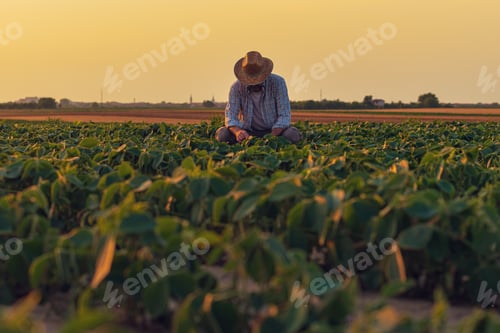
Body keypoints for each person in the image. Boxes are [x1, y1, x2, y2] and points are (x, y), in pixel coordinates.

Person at [215, 51, 302, 144]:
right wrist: (238, 132)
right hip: (247, 132)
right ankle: (240, 143)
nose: (254, 82)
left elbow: (284, 116)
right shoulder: (236, 87)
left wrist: (271, 137)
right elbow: (230, 116)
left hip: (274, 131)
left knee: (292, 134)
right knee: (222, 134)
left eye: (257, 79)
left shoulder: (278, 83)